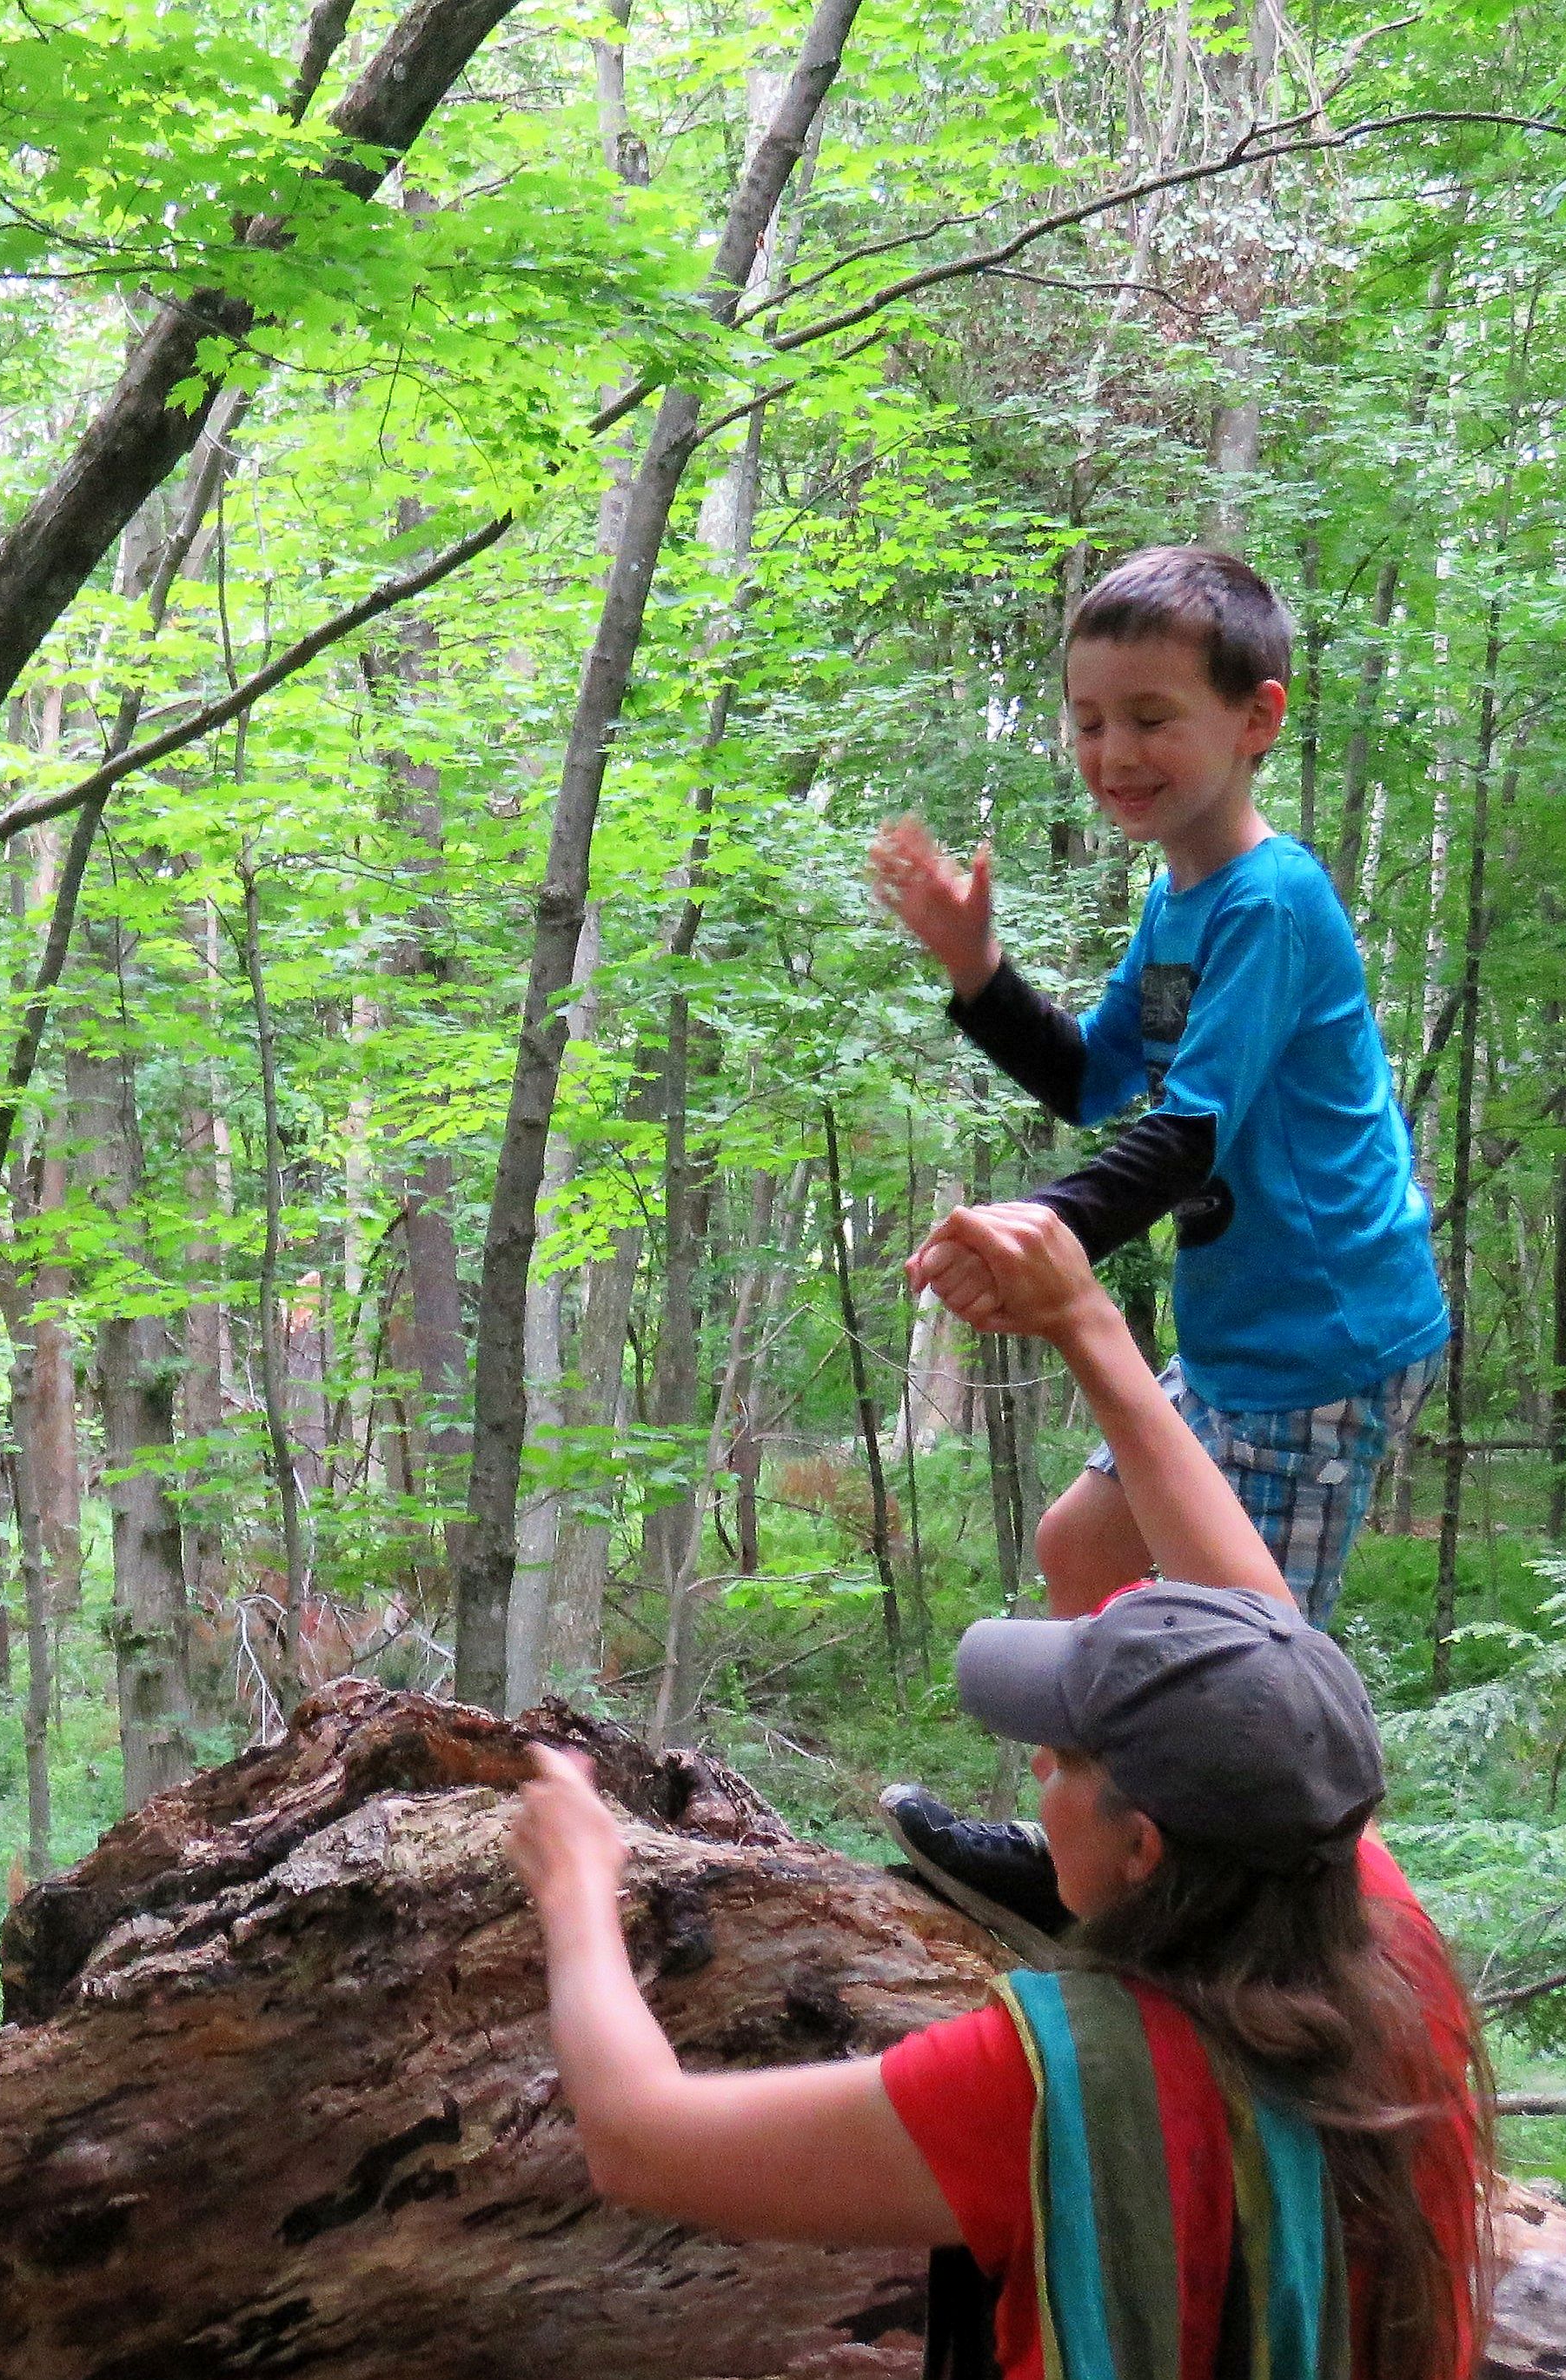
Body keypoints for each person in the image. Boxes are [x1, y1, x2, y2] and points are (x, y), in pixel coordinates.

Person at [508, 1200, 1491, 2380]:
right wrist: (1084, 1323)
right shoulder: (1375, 1940)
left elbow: (642, 2143)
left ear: (1142, 1850)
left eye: (1065, 1757)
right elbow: (1266, 1650)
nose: (1035, 1768)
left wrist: (577, 1884)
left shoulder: (1063, 2084)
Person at [868, 547, 1449, 1943]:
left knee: (1256, 1687)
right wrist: (975, 971)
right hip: (1239, 1342)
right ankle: (1081, 1854)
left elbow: (1185, 1134)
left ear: (1256, 718)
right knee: (1081, 1550)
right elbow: (1092, 1079)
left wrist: (1039, 1232)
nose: (1110, 752)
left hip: (1323, 1347)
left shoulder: (1271, 899)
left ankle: (1251, 1954)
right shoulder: (1180, 901)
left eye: (1147, 716)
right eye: (1087, 720)